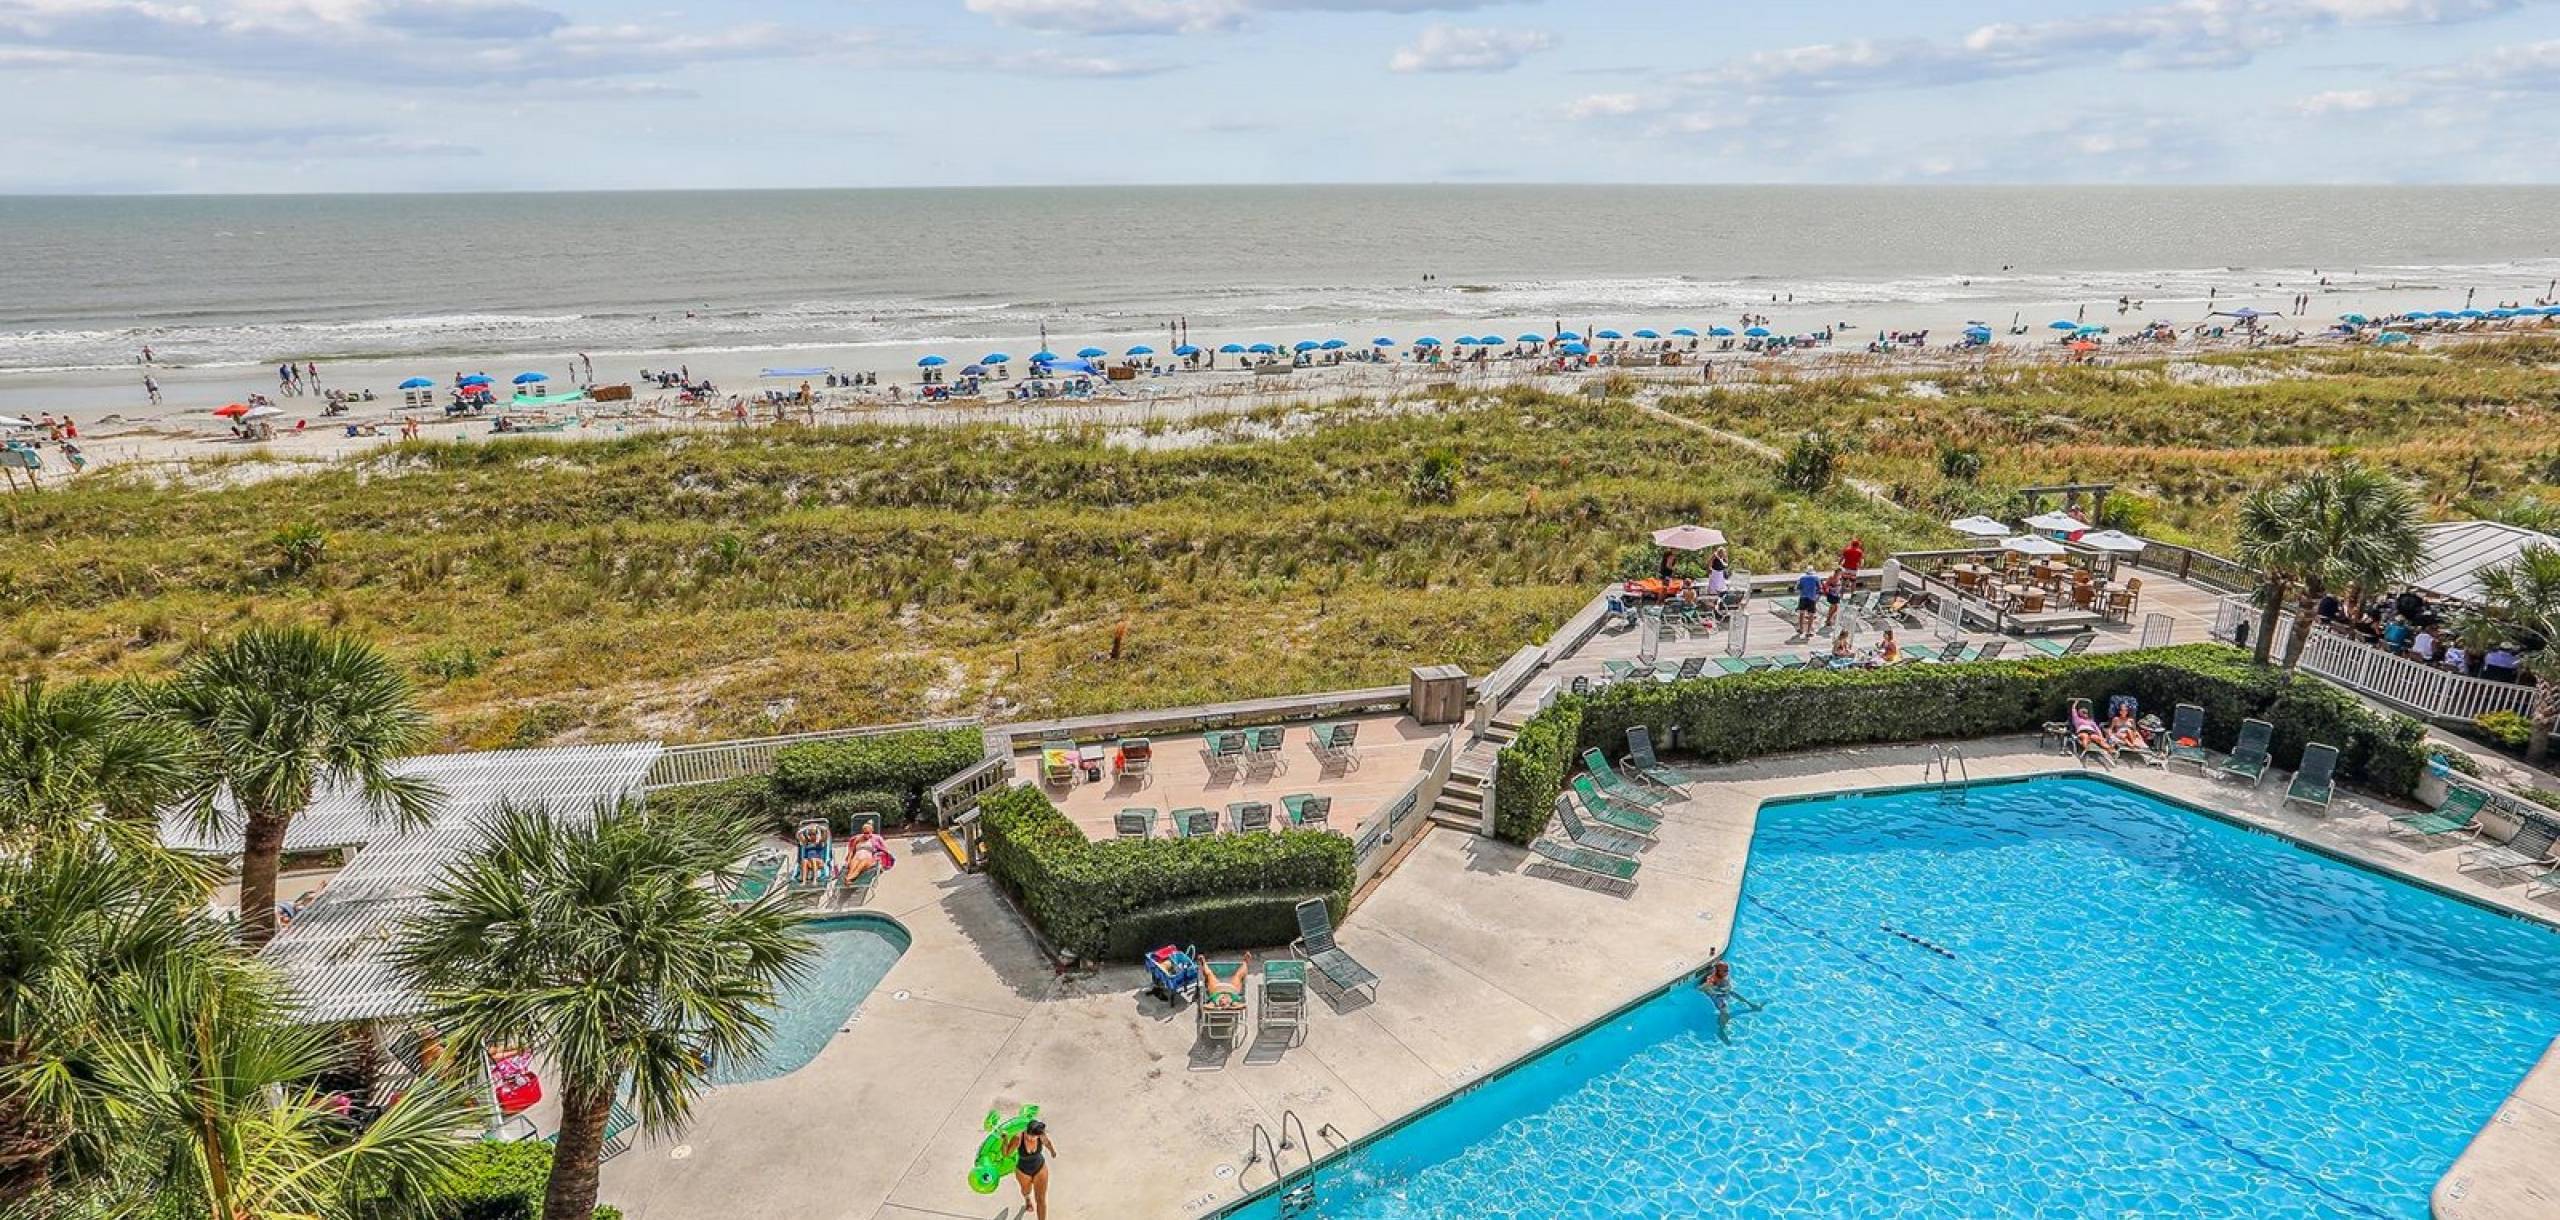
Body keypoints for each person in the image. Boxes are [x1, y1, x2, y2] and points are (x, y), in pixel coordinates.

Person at [1000, 1117, 1055, 1220]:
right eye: (1028, 1135)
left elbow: (1047, 1143)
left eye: (1033, 1137)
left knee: (1041, 1199)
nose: (1030, 1138)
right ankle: (1027, 1199)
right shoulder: (1018, 1138)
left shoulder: (1041, 1135)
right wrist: (1005, 1140)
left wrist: (1052, 1151)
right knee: (1026, 1190)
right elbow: (1006, 1153)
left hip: (1040, 1168)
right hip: (1023, 1171)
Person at [1794, 568, 1821, 640]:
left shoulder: (1802, 578)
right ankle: (1808, 631)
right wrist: (1817, 596)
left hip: (1803, 597)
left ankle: (1801, 628)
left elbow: (1798, 587)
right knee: (1811, 615)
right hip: (1812, 598)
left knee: (1802, 613)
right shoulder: (1816, 578)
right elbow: (1819, 588)